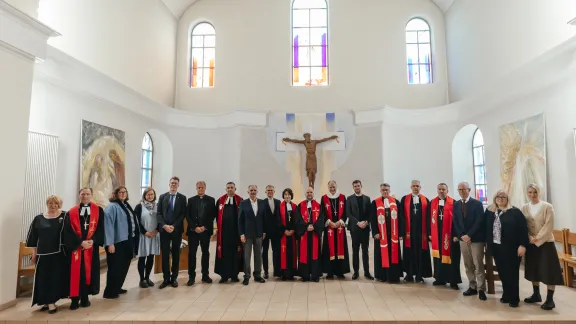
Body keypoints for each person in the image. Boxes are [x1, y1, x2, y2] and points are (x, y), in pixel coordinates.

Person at [521, 184, 563, 310]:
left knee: (548, 270)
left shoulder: (547, 207)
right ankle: (536, 294)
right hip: (531, 243)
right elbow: (522, 224)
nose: (532, 195)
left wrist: (537, 238)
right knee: (534, 269)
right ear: (527, 193)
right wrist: (528, 237)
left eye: (535, 192)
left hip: (546, 243)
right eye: (530, 192)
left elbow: (549, 225)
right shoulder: (524, 207)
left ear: (539, 192)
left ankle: (550, 299)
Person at [62, 188, 104, 310]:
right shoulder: (71, 212)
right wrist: (80, 242)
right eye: (83, 194)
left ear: (92, 195)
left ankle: (85, 298)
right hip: (76, 248)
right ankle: (75, 299)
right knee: (76, 274)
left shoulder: (98, 210)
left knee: (88, 273)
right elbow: (67, 231)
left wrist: (93, 240)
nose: (85, 196)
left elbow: (101, 228)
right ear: (79, 195)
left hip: (91, 248)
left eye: (87, 194)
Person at [485, 190, 529, 308]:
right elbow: (486, 229)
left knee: (512, 273)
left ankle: (514, 298)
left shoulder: (515, 212)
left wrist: (523, 245)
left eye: (503, 197)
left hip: (512, 248)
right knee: (502, 272)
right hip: (497, 247)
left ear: (507, 199)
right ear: (495, 198)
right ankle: (506, 294)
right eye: (498, 196)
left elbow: (523, 229)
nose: (500, 198)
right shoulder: (490, 212)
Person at [26, 195, 68, 314]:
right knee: (42, 279)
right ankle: (45, 301)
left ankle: (51, 302)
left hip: (58, 253)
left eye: (56, 203)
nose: (53, 206)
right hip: (42, 254)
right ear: (47, 204)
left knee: (54, 278)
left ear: (59, 205)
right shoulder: (38, 218)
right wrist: (34, 253)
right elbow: (33, 238)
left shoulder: (64, 216)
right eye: (50, 203)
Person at [453, 182, 487, 301]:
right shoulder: (456, 204)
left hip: (476, 239)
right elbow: (455, 222)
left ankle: (481, 288)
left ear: (469, 190)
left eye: (464, 189)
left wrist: (469, 234)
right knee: (468, 264)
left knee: (478, 264)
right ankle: (472, 286)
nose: (462, 191)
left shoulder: (477, 204)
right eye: (460, 189)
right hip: (463, 240)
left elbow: (479, 221)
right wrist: (462, 235)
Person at [103, 186, 139, 299]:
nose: (123, 194)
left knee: (124, 266)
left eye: (125, 192)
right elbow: (107, 226)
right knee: (115, 268)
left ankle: (117, 287)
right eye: (120, 192)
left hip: (128, 240)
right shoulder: (112, 207)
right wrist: (110, 243)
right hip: (117, 243)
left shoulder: (126, 205)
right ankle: (110, 292)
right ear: (115, 194)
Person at [428, 183, 461, 289]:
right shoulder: (432, 203)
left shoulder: (454, 203)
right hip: (437, 235)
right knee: (438, 257)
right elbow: (428, 219)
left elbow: (457, 220)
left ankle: (453, 280)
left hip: (450, 235)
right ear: (437, 190)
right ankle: (440, 278)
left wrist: (456, 234)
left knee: (453, 258)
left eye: (443, 189)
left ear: (447, 190)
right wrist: (429, 233)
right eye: (439, 189)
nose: (441, 191)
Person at [157, 176, 187, 289]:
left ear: (178, 185)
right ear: (169, 184)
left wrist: (173, 226)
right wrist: (164, 225)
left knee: (175, 254)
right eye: (172, 183)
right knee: (164, 255)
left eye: (175, 183)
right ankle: (166, 278)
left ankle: (174, 278)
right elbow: (159, 213)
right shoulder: (162, 197)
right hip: (164, 230)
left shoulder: (182, 198)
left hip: (176, 230)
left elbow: (182, 214)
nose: (173, 185)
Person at [370, 183, 404, 283]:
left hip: (393, 234)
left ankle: (394, 276)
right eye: (383, 190)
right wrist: (375, 232)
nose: (385, 191)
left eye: (387, 190)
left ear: (389, 190)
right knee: (381, 254)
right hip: (381, 234)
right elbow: (373, 219)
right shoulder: (375, 203)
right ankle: (382, 276)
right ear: (380, 191)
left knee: (394, 254)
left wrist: (401, 233)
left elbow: (401, 218)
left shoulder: (396, 202)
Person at [400, 180, 432, 283]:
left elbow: (428, 217)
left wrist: (428, 233)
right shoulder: (404, 199)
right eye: (413, 186)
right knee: (409, 253)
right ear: (410, 187)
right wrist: (401, 232)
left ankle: (419, 275)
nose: (415, 188)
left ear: (420, 187)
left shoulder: (425, 200)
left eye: (417, 186)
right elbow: (401, 216)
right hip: (408, 232)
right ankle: (409, 275)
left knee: (420, 253)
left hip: (421, 232)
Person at [186, 181, 216, 286]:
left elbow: (212, 215)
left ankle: (205, 275)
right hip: (193, 232)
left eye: (202, 187)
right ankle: (191, 277)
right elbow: (187, 216)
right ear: (196, 188)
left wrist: (204, 227)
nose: (200, 189)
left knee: (205, 253)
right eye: (198, 187)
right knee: (192, 254)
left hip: (205, 232)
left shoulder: (211, 200)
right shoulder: (190, 200)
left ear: (205, 188)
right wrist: (194, 227)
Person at [214, 182, 243, 283]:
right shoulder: (220, 200)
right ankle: (224, 276)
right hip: (224, 233)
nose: (230, 189)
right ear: (225, 189)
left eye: (232, 187)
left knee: (235, 254)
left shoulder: (240, 200)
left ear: (235, 188)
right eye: (228, 188)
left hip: (235, 233)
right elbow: (217, 216)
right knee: (224, 254)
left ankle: (234, 275)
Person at [321, 180, 350, 279]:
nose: (332, 189)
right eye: (330, 187)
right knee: (329, 249)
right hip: (329, 227)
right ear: (328, 187)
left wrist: (340, 221)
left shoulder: (342, 197)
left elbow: (346, 212)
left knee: (339, 248)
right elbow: (322, 213)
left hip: (340, 227)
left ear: (336, 186)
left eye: (334, 187)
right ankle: (330, 272)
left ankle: (340, 271)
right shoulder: (324, 198)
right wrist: (329, 222)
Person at [238, 185, 267, 285]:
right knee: (247, 256)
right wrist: (241, 234)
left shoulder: (262, 202)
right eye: (251, 190)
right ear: (248, 191)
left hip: (259, 233)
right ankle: (246, 276)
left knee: (258, 255)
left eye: (255, 190)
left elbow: (264, 218)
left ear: (257, 191)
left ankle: (258, 275)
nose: (253, 192)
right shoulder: (243, 203)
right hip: (247, 234)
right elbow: (240, 220)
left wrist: (264, 231)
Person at [295, 186, 324, 282]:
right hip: (304, 234)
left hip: (314, 234)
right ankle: (305, 275)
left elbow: (321, 219)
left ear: (313, 193)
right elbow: (298, 219)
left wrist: (314, 227)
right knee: (305, 253)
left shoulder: (318, 206)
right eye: (307, 192)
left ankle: (315, 275)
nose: (309, 194)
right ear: (305, 194)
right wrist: (306, 226)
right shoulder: (300, 206)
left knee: (315, 254)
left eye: (311, 192)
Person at [346, 180, 373, 280]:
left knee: (365, 251)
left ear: (361, 186)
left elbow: (370, 213)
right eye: (355, 186)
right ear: (353, 188)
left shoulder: (367, 198)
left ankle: (367, 272)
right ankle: (356, 272)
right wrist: (358, 222)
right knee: (355, 250)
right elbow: (348, 213)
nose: (357, 187)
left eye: (358, 186)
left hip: (365, 228)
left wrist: (366, 222)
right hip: (355, 228)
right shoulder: (349, 199)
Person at [134, 187, 160, 288]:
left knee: (150, 257)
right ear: (144, 195)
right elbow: (136, 222)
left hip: (154, 235)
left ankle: (147, 277)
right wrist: (145, 232)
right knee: (142, 257)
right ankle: (142, 279)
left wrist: (156, 230)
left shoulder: (157, 206)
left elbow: (160, 219)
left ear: (154, 195)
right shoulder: (139, 206)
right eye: (148, 194)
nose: (150, 196)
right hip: (143, 236)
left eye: (152, 194)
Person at [277, 188, 298, 281]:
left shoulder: (295, 206)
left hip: (292, 234)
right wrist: (284, 230)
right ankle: (284, 274)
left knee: (292, 253)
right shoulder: (279, 206)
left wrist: (293, 230)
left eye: (289, 194)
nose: (287, 196)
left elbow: (297, 220)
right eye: (285, 194)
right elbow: (277, 220)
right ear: (283, 196)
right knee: (283, 253)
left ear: (291, 196)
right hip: (283, 234)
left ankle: (292, 273)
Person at [263, 185, 281, 279]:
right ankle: (265, 271)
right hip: (265, 232)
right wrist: (262, 231)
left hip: (276, 232)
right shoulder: (262, 202)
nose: (270, 192)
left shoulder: (278, 202)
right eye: (268, 190)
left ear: (274, 191)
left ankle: (276, 271)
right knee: (264, 252)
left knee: (276, 251)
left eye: (271, 190)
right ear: (265, 192)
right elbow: (260, 218)